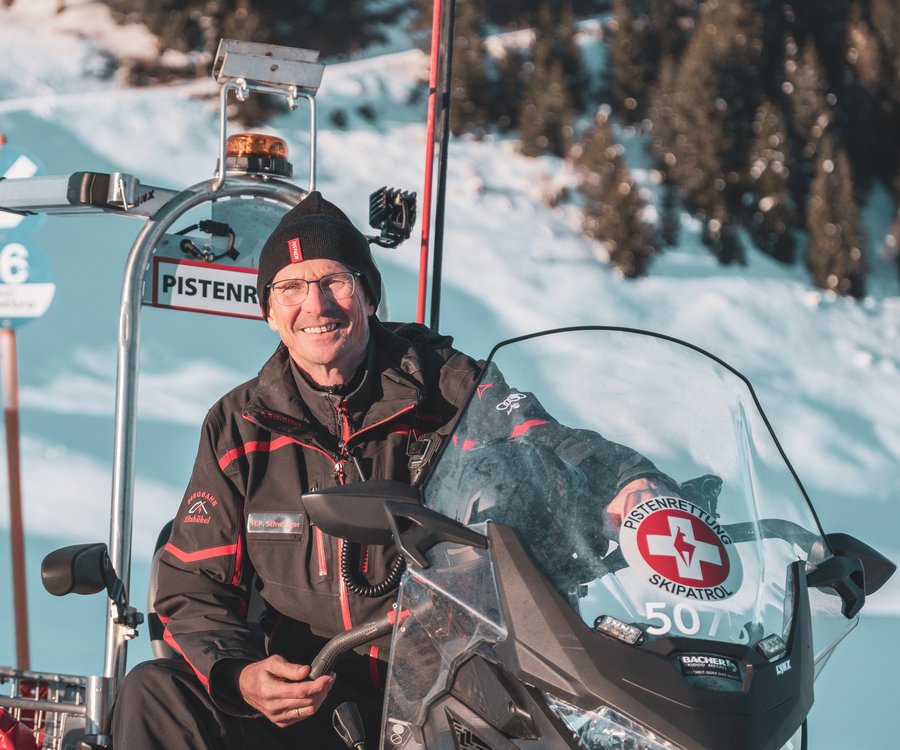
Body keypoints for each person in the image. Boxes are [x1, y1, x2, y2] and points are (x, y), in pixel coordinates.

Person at [111, 191, 673, 750]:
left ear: (369, 296)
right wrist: (240, 676)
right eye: (291, 288)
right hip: (313, 690)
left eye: (335, 281)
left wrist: (629, 483)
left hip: (450, 684)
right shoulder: (240, 425)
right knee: (156, 692)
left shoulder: (450, 388)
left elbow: (543, 438)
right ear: (268, 311)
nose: (316, 305)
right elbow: (193, 585)